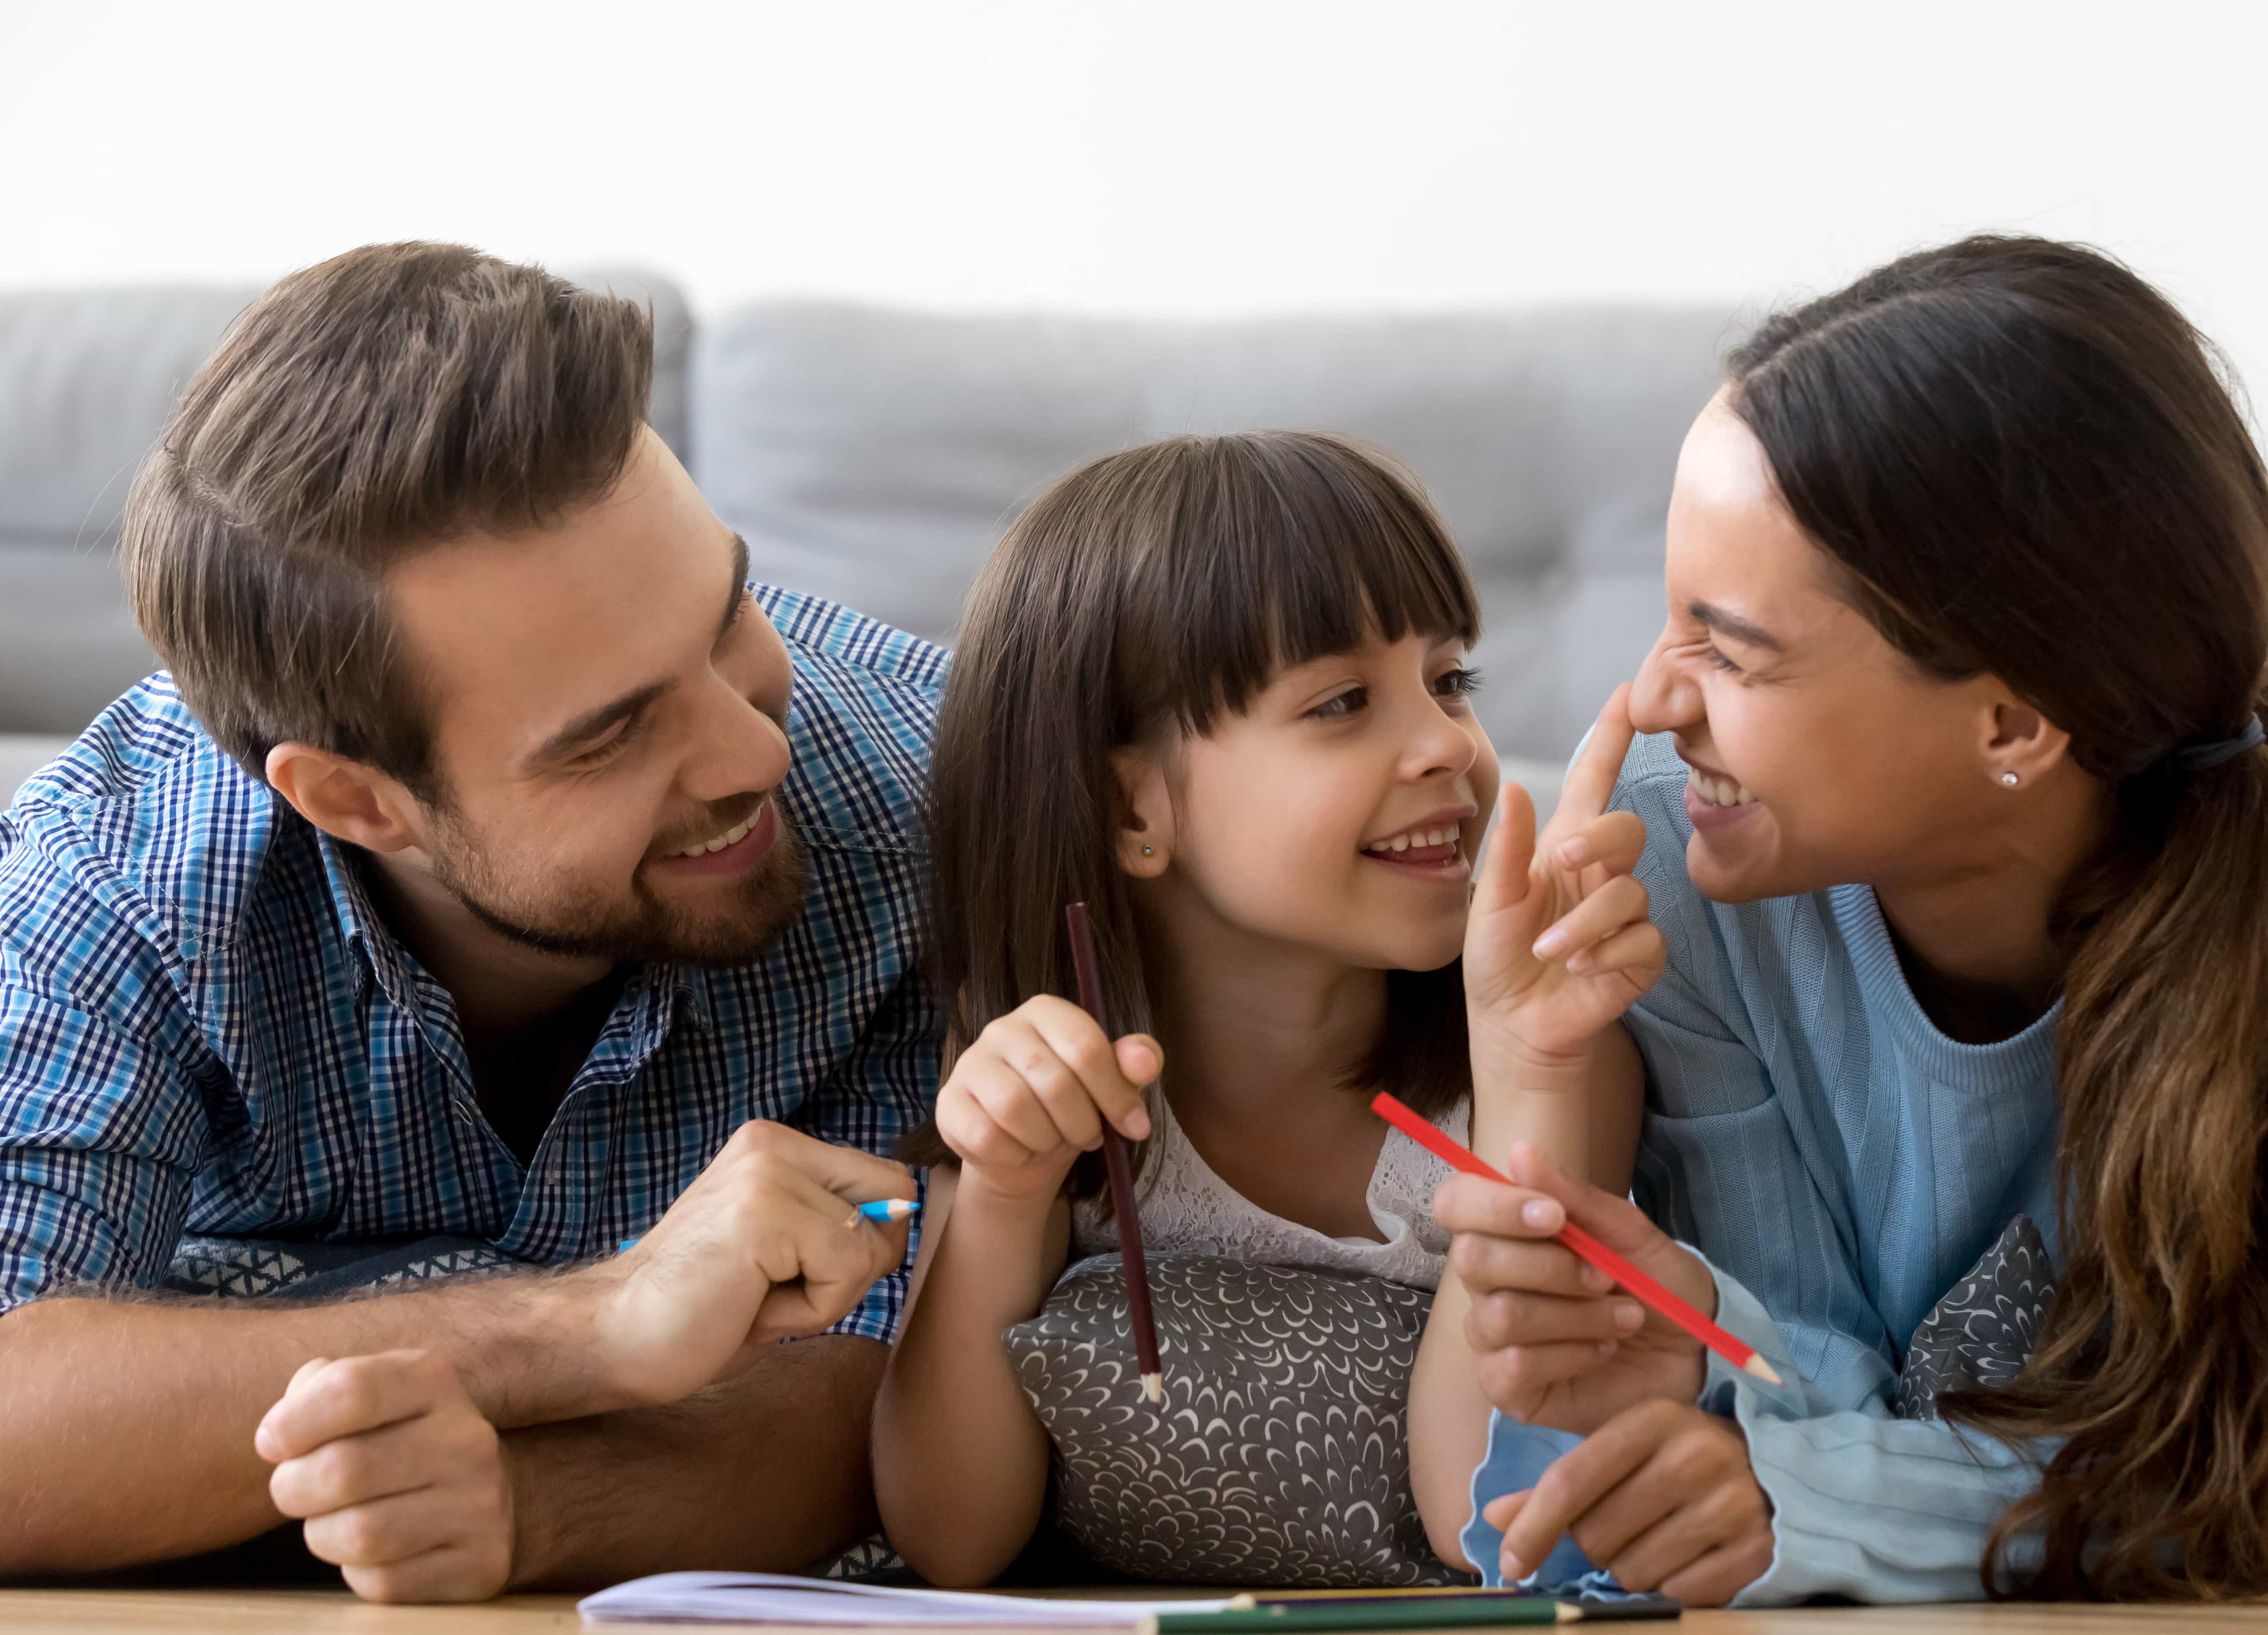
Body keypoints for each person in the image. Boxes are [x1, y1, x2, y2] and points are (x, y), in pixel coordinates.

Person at [1431, 235, 2268, 1604]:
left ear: (2014, 721)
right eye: (1670, 624)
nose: (1660, 702)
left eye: (1732, 650)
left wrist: (1818, 1498)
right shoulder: (1678, 877)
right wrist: (1698, 1363)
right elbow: (1805, 1407)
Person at [0, 244, 942, 1601]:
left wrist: (536, 1507)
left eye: (727, 610)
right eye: (611, 735)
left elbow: (908, 1396)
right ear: (358, 801)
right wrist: (593, 1326)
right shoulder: (117, 870)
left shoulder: (942, 805)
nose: (750, 751)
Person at [869, 432, 1657, 1586]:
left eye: (1450, 681)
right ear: (1132, 807)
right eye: (1344, 702)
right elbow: (953, 1535)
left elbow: (1484, 1519)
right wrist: (1003, 1190)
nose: (1448, 744)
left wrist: (1536, 1080)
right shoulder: (1044, 1065)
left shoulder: (1543, 1051)